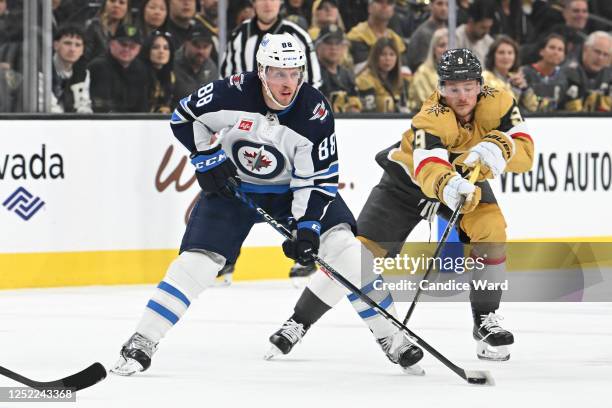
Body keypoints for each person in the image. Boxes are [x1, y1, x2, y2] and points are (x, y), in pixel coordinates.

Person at [111, 32, 423, 376]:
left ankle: (392, 336)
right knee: (196, 264)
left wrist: (307, 227)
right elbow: (184, 117)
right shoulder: (231, 91)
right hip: (234, 190)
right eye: (278, 73)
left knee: (347, 251)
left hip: (292, 191)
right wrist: (207, 158)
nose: (288, 82)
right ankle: (142, 340)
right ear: (261, 71)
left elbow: (317, 179)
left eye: (294, 73)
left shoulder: (314, 111)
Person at [356, 48, 534, 361]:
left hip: (465, 179)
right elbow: (428, 165)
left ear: (480, 85)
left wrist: (502, 146)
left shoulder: (501, 101)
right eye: (453, 88)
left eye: (468, 87)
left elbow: (526, 154)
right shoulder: (431, 116)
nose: (462, 96)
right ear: (441, 89)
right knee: (358, 255)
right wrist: (448, 184)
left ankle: (485, 324)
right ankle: (300, 321)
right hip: (409, 181)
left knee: (492, 230)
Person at [221, 0, 321, 89]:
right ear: (253, 3)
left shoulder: (298, 36)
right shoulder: (238, 35)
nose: (268, 4)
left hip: (289, 108)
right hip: (244, 107)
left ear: (280, 2)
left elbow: (313, 83)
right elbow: (225, 78)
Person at [88, 23, 151, 112]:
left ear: (138, 50)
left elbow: (143, 107)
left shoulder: (141, 69)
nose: (127, 49)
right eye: (123, 44)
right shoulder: (98, 67)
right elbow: (101, 106)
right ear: (111, 44)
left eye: (132, 46)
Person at [346, 0, 407, 75]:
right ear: (369, 7)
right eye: (379, 2)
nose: (384, 6)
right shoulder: (357, 35)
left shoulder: (396, 39)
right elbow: (361, 68)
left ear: (393, 10)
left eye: (389, 3)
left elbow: (404, 69)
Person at [482, 35, 538, 112]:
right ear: (492, 56)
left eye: (510, 53)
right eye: (501, 53)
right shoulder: (484, 78)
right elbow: (504, 108)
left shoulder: (515, 78)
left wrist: (525, 89)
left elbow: (534, 107)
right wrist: (515, 90)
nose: (506, 57)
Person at [356, 37, 409, 113]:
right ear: (375, 57)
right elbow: (368, 113)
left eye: (392, 54)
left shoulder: (401, 82)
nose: (388, 58)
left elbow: (404, 109)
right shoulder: (364, 80)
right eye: (383, 54)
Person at [316, 24, 361, 113]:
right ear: (318, 47)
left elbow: (355, 108)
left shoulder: (347, 74)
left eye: (337, 43)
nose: (333, 48)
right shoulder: (313, 73)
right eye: (328, 43)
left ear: (344, 47)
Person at [563, 31, 612, 111]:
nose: (600, 58)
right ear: (585, 48)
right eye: (597, 52)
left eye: (605, 54)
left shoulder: (609, 75)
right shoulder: (567, 71)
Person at [49, 24, 93, 113]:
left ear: (82, 50)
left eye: (78, 45)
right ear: (56, 45)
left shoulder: (83, 72)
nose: (72, 49)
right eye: (67, 43)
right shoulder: (43, 69)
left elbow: (84, 105)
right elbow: (49, 108)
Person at [521, 33, 569, 112]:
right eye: (552, 47)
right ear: (541, 51)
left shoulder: (563, 78)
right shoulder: (524, 73)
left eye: (560, 49)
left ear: (563, 56)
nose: (556, 52)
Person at [173, 27, 218, 109]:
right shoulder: (172, 64)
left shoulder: (211, 67)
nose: (201, 51)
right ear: (186, 43)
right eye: (196, 46)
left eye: (205, 47)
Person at [408, 27, 447, 112]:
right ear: (433, 49)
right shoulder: (422, 72)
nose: (446, 50)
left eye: (450, 45)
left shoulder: (462, 74)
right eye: (442, 45)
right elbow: (427, 105)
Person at [405, 0, 448, 73]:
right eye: (439, 4)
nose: (444, 8)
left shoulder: (449, 32)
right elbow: (421, 69)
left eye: (447, 5)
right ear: (431, 6)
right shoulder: (423, 34)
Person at [142, 30, 176, 113]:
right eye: (155, 47)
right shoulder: (139, 74)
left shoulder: (171, 75)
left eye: (166, 48)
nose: (161, 51)